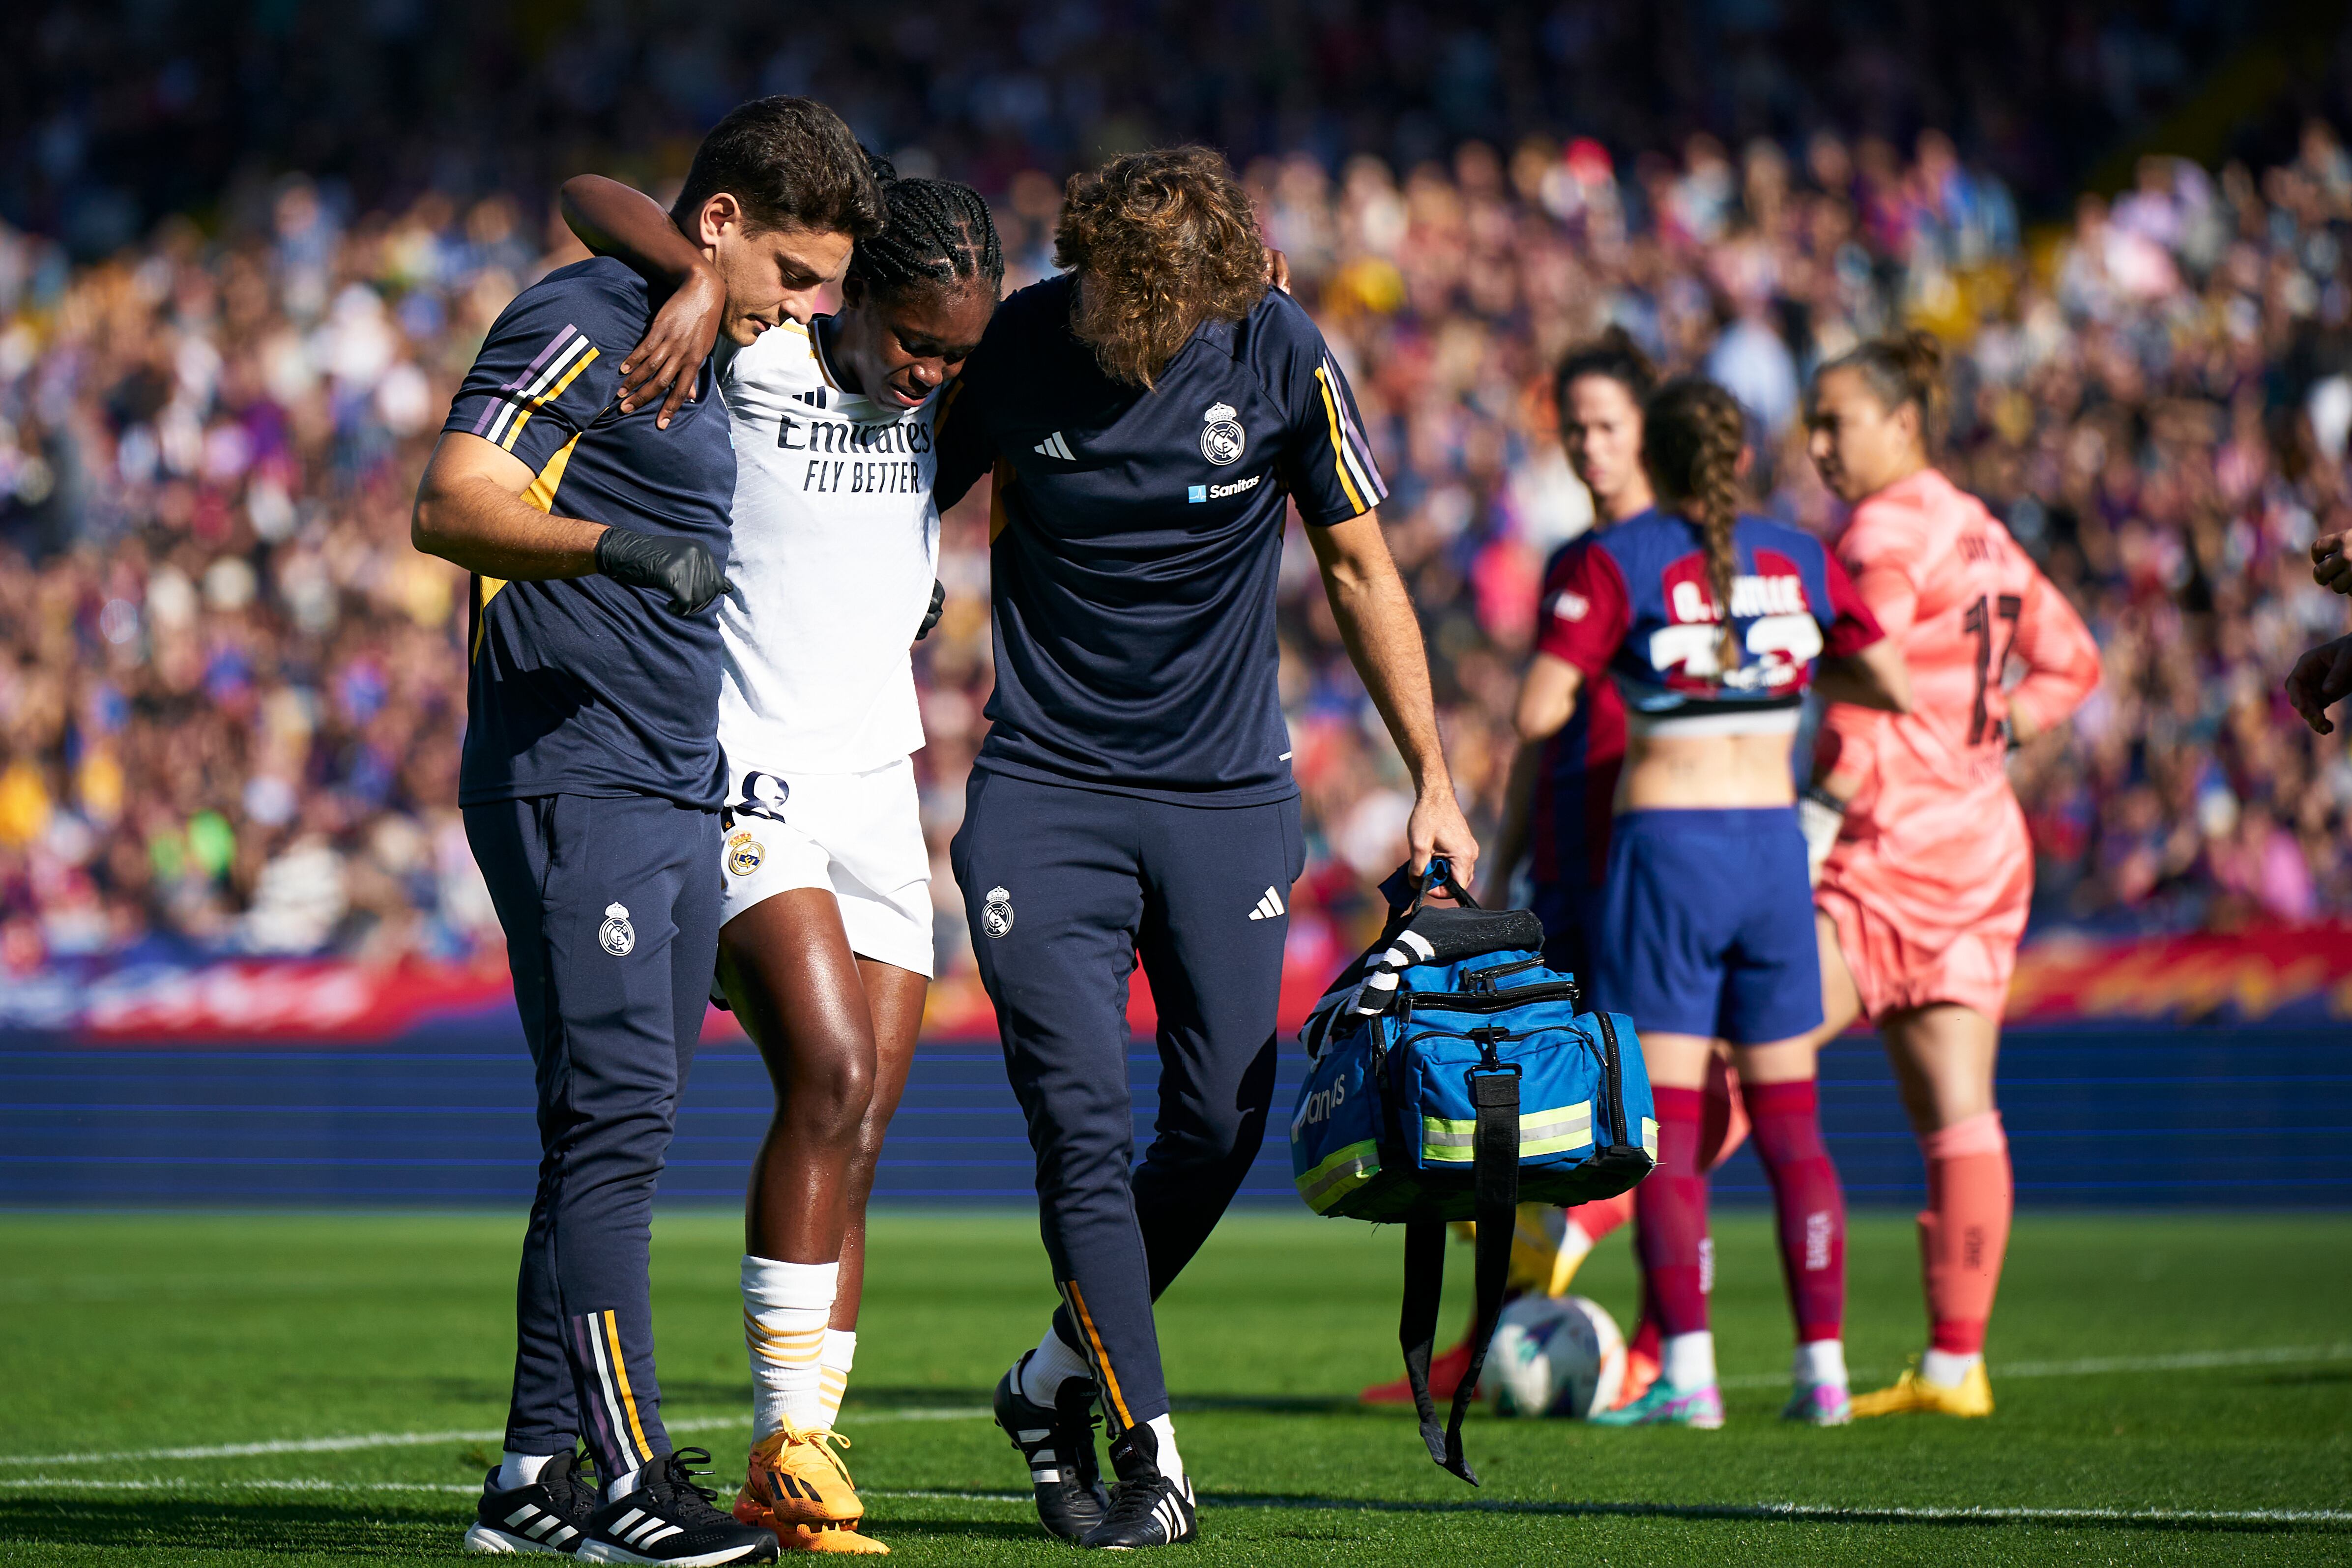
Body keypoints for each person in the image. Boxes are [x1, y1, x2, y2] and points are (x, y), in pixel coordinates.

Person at [929, 145, 1478, 1549]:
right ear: (1083, 268)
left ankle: (1053, 1376)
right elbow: (881, 517)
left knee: (1223, 1123)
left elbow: (1359, 563)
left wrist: (1435, 775)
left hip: (1228, 791)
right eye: (1130, 301)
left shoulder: (1282, 347)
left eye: (1182, 306)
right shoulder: (1013, 349)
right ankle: (1149, 1447)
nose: (1152, 332)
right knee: (1078, 1121)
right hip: (1045, 792)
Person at [412, 96, 883, 1564]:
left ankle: (535, 1469)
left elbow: (600, 188)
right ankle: (628, 1476)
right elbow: (451, 502)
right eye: (794, 277)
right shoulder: (575, 316)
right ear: (727, 226)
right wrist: (614, 544)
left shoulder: (707, 313)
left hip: (673, 780)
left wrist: (699, 279)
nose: (806, 312)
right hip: (576, 773)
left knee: (606, 1136)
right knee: (615, 1129)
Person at [557, 164, 1003, 1555]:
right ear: (855, 289)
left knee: (858, 1125)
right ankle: (786, 1438)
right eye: (916, 336)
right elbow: (589, 193)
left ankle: (795, 1451)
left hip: (881, 786)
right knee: (830, 1067)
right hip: (748, 767)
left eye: (957, 348)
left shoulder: (949, 391)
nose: (932, 368)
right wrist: (695, 276)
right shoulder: (760, 351)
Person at [1361, 327, 1748, 1414]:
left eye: (1605, 427)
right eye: (1570, 427)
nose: (1584, 447)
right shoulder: (1578, 558)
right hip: (1573, 864)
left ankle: (1668, 1344)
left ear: (1648, 433)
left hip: (1653, 864)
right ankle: (1492, 1343)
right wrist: (1514, 848)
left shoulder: (1676, 559)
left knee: (1655, 1107)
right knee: (1532, 1108)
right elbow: (1541, 739)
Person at [1534, 376, 1912, 1430]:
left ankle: (1689, 1374)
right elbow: (1885, 678)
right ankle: (1822, 1373)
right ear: (1741, 456)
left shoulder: (1624, 557)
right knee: (1794, 1127)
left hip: (1667, 855)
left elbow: (1537, 702)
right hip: (1770, 853)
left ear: (1652, 457)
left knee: (1666, 1128)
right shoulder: (1799, 555)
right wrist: (1780, 676)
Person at [1796, 333, 2100, 1420]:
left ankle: (1571, 1243)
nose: (1818, 444)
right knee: (1959, 1115)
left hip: (1891, 850)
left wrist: (1787, 661)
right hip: (1979, 846)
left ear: (1902, 421)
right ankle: (1953, 1362)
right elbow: (2075, 658)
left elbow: (1866, 664)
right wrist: (1998, 724)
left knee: (1753, 1044)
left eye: (1834, 421)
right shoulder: (1979, 529)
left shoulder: (1883, 528)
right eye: (1812, 424)